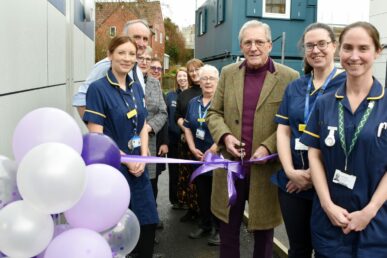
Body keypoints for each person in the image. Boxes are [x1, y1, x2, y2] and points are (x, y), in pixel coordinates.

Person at [206, 20, 299, 258]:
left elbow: (292, 122)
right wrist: (225, 136)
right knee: (228, 234)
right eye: (248, 42)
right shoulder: (228, 74)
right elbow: (214, 113)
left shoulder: (289, 77)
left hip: (265, 171)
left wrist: (268, 147)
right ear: (241, 46)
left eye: (259, 41)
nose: (253, 47)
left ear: (269, 44)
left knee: (264, 238)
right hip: (230, 169)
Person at [300, 21, 387, 258]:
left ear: (377, 51)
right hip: (330, 222)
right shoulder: (325, 102)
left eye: (363, 48)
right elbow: (315, 154)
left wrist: (368, 212)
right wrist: (328, 206)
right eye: (348, 48)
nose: (354, 56)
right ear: (339, 50)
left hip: (376, 225)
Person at [273, 23, 346, 258]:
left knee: (327, 250)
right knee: (298, 248)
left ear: (334, 46)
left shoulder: (347, 85)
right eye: (310, 45)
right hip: (292, 183)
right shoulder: (296, 86)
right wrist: (290, 171)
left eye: (322, 44)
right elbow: (283, 131)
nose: (316, 50)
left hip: (331, 185)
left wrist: (313, 178)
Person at [82, 36, 158, 258]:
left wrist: (143, 157)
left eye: (132, 54)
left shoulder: (136, 87)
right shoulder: (98, 89)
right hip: (114, 169)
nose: (127, 58)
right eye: (121, 53)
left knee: (148, 222)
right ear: (109, 55)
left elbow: (142, 125)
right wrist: (127, 159)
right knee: (117, 230)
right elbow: (97, 136)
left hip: (139, 168)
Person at [73, 19, 151, 118]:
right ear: (124, 36)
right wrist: (97, 130)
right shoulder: (106, 66)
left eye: (145, 39)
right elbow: (81, 99)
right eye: (136, 37)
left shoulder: (136, 68)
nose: (141, 43)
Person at [183, 65, 220, 246]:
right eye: (204, 78)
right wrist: (191, 147)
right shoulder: (193, 103)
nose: (207, 82)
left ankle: (219, 229)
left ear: (217, 81)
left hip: (217, 156)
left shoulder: (223, 103)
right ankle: (205, 224)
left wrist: (214, 148)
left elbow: (229, 128)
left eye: (211, 78)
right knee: (202, 193)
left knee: (218, 193)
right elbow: (188, 127)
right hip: (198, 156)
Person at [137, 47, 168, 200]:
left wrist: (148, 127)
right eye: (140, 58)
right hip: (129, 141)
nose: (144, 62)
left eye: (147, 59)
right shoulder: (125, 80)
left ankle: (150, 219)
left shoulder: (155, 83)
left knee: (150, 184)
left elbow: (163, 112)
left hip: (151, 141)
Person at [175, 58, 204, 222]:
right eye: (190, 71)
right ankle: (192, 208)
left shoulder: (210, 89)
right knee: (188, 177)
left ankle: (204, 212)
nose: (193, 73)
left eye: (196, 70)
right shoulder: (185, 94)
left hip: (205, 144)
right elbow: (177, 115)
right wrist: (186, 127)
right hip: (187, 143)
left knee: (203, 178)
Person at [165, 67, 189, 209]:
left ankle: (187, 199)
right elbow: (167, 118)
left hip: (188, 140)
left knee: (186, 170)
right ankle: (175, 199)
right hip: (173, 139)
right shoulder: (170, 96)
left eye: (184, 76)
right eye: (179, 76)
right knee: (174, 171)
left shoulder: (193, 94)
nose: (182, 79)